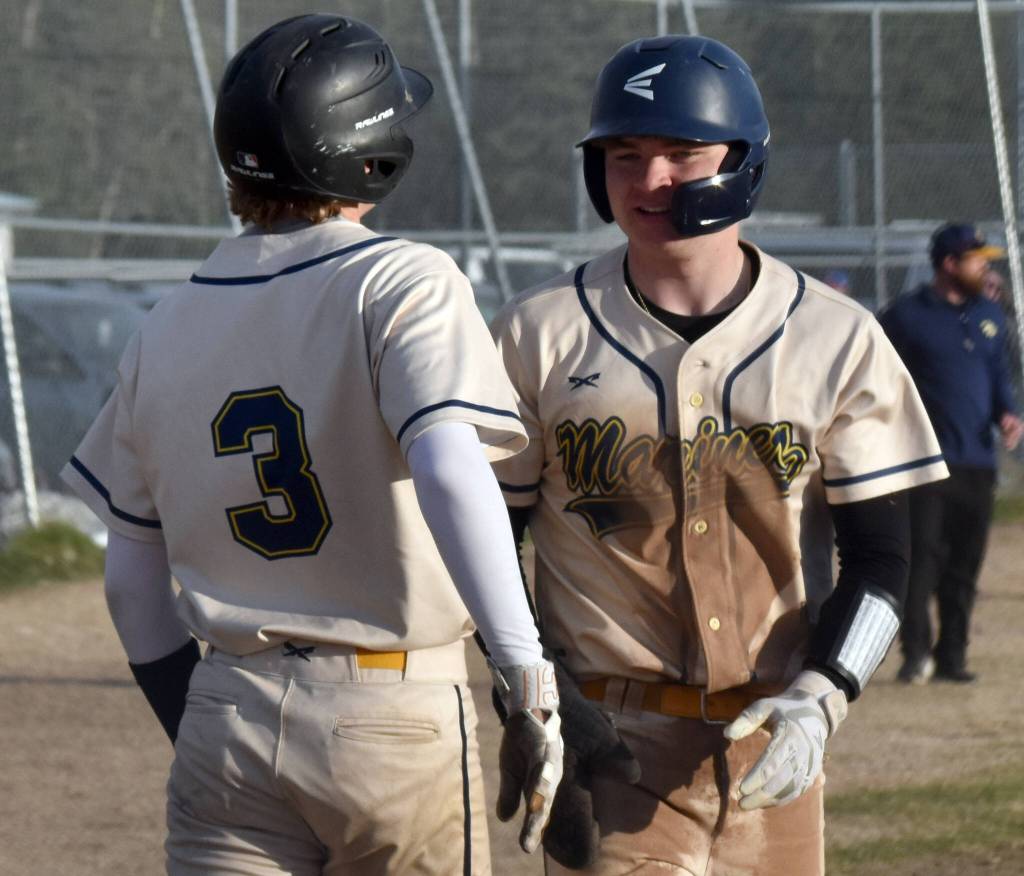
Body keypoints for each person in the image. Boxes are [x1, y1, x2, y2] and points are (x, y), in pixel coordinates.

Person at [60, 15, 561, 875]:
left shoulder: (166, 321)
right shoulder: (400, 279)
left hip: (225, 703)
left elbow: (129, 579)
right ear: (371, 151)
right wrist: (525, 674)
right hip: (388, 706)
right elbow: (447, 465)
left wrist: (209, 722)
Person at [490, 34, 948, 875]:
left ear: (742, 163)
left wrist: (822, 695)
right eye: (624, 154)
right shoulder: (537, 333)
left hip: (774, 732)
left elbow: (883, 561)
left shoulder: (834, 336)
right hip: (611, 741)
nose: (650, 180)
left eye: (682, 154)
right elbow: (486, 543)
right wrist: (533, 690)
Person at [880, 223, 1023, 685]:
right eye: (977, 259)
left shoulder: (989, 314)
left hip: (977, 461)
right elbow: (878, 373)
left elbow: (998, 373)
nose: (986, 266)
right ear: (949, 264)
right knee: (922, 562)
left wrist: (1008, 412)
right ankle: (916, 653)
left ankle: (953, 657)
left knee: (964, 564)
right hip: (924, 461)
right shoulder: (906, 316)